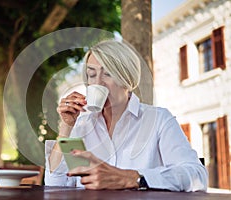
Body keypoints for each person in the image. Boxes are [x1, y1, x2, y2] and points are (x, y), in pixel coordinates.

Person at [44, 39, 208, 192]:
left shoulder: (158, 120)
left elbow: (197, 176)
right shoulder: (81, 125)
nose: (98, 82)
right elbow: (56, 185)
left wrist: (133, 178)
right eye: (92, 75)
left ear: (127, 78)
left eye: (108, 74)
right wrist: (66, 128)